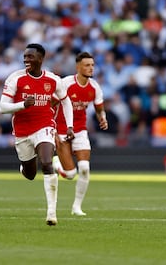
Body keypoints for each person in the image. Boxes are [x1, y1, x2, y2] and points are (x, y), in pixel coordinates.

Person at [0, 43, 75, 226]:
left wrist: (70, 126)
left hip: (45, 125)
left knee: (47, 163)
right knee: (30, 174)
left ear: (41, 59)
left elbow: (66, 101)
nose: (26, 60)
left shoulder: (53, 80)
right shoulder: (15, 79)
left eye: (30, 57)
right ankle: (25, 168)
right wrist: (22, 105)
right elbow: (2, 107)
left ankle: (51, 213)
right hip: (22, 131)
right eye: (25, 57)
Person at [52, 52, 108, 216]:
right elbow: (50, 105)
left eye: (92, 65)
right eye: (87, 65)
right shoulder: (66, 84)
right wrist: (52, 128)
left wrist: (102, 118)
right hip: (61, 129)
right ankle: (57, 164)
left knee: (84, 167)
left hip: (80, 130)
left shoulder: (94, 87)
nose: (91, 68)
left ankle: (77, 207)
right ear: (78, 67)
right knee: (70, 175)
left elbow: (99, 109)